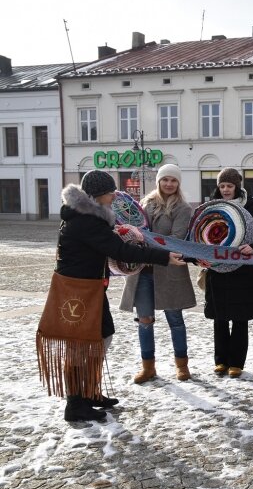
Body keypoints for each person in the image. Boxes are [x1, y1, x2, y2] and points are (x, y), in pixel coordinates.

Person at [56, 170, 185, 421]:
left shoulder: (89, 217)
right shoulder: (86, 221)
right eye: (110, 191)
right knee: (81, 347)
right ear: (97, 195)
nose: (115, 194)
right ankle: (75, 404)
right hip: (78, 292)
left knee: (103, 336)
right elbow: (121, 251)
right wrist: (163, 257)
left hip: (89, 288)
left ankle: (90, 392)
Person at [120, 164, 197, 384]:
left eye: (173, 180)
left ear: (178, 184)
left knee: (175, 319)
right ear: (159, 181)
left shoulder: (182, 208)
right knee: (145, 320)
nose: (169, 184)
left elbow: (175, 239)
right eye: (165, 180)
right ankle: (148, 367)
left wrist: (145, 241)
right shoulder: (145, 204)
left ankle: (182, 365)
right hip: (143, 270)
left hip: (168, 270)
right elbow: (133, 231)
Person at [203, 168, 253, 378]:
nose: (226, 190)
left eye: (229, 186)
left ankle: (237, 362)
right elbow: (202, 233)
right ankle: (220, 361)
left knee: (240, 318)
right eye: (222, 186)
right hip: (218, 270)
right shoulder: (213, 207)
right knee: (219, 317)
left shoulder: (251, 206)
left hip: (243, 270)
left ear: (237, 187)